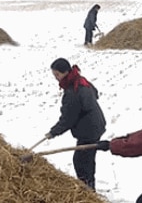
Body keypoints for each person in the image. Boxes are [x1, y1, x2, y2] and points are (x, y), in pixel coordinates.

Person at [45, 57, 106, 191]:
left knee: (82, 161)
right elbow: (95, 93)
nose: (56, 78)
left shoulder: (73, 91)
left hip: (89, 129)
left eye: (57, 74)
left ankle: (88, 190)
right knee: (86, 159)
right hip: (96, 123)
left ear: (65, 71)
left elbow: (68, 119)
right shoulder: (80, 80)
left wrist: (53, 132)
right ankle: (88, 186)